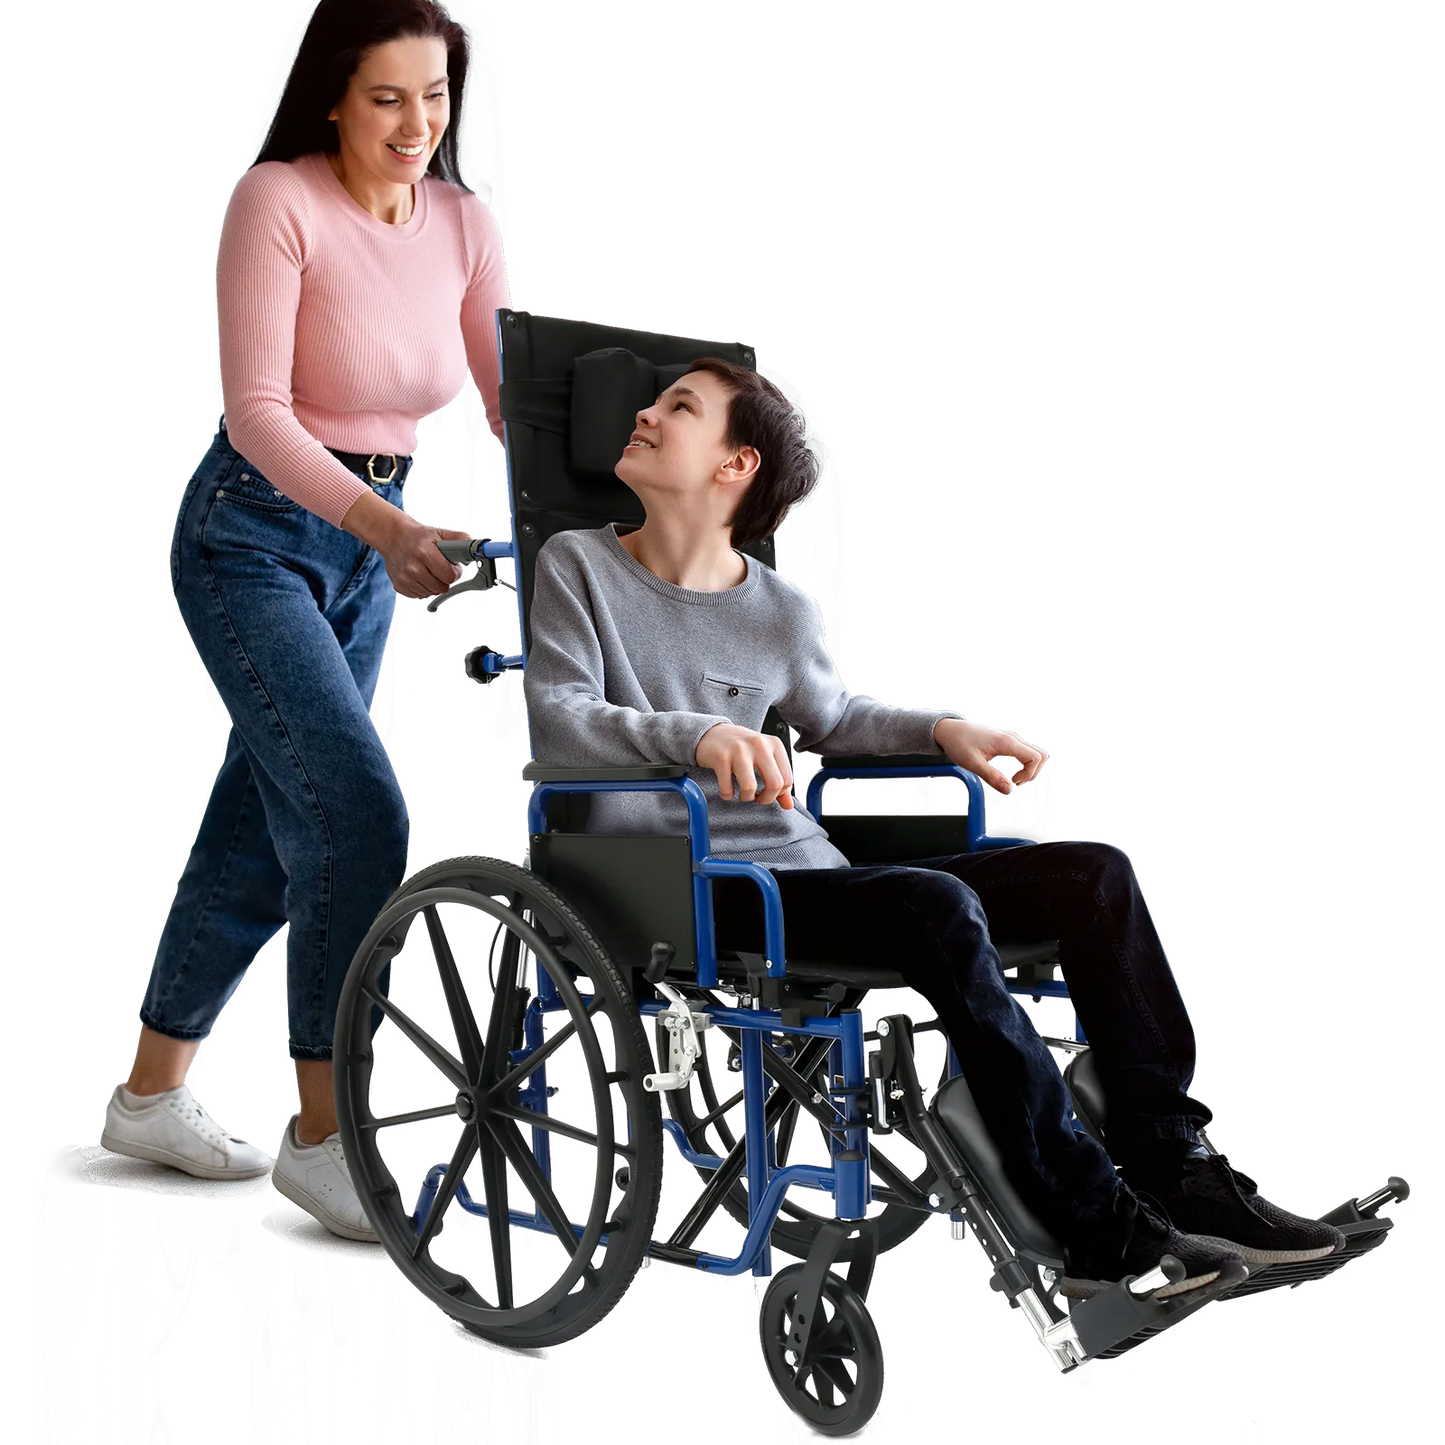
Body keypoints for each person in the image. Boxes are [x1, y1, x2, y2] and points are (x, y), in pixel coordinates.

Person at [523, 357, 1347, 1296]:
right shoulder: (579, 565)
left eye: (678, 407)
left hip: (808, 874)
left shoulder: (778, 609)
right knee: (934, 903)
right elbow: (560, 717)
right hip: (685, 881)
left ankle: (1175, 1163)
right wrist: (698, 734)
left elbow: (837, 718)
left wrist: (942, 729)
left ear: (734, 463)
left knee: (1095, 873)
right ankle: (1092, 1223)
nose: (642, 414)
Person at [97, 0, 511, 1243]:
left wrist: (613, 519)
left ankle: (148, 1098)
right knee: (354, 808)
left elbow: (513, 401)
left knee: (258, 821)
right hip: (251, 535)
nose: (416, 124)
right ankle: (325, 1137)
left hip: (371, 548)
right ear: (331, 96)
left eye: (433, 96)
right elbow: (259, 411)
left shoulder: (463, 220)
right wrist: (384, 529)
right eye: (386, 97)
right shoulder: (273, 201)